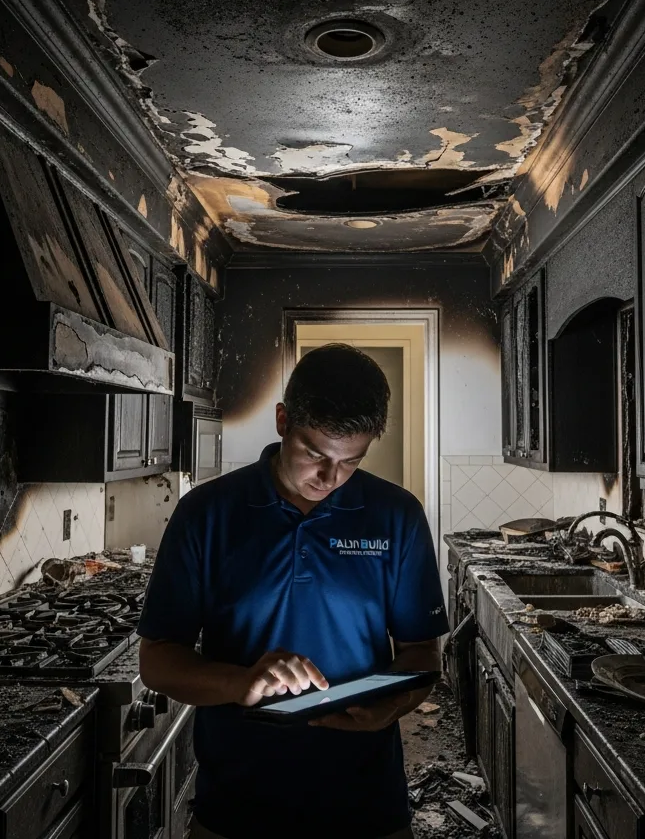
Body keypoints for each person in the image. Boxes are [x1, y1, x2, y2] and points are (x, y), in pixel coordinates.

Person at [137, 343, 448, 839]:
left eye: (351, 461)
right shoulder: (206, 513)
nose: (330, 478)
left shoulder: (398, 516)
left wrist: (392, 706)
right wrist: (239, 683)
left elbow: (422, 654)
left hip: (366, 802)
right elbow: (156, 659)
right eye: (314, 454)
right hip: (236, 803)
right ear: (283, 421)